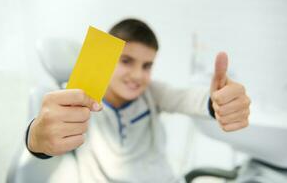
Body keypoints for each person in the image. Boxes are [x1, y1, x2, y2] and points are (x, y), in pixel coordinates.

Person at [25, 18, 250, 182]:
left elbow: (185, 98)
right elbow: (46, 130)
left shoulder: (152, 93)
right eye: (126, 61)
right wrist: (36, 137)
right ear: (107, 59)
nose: (137, 75)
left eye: (147, 66)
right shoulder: (81, 99)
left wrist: (216, 101)